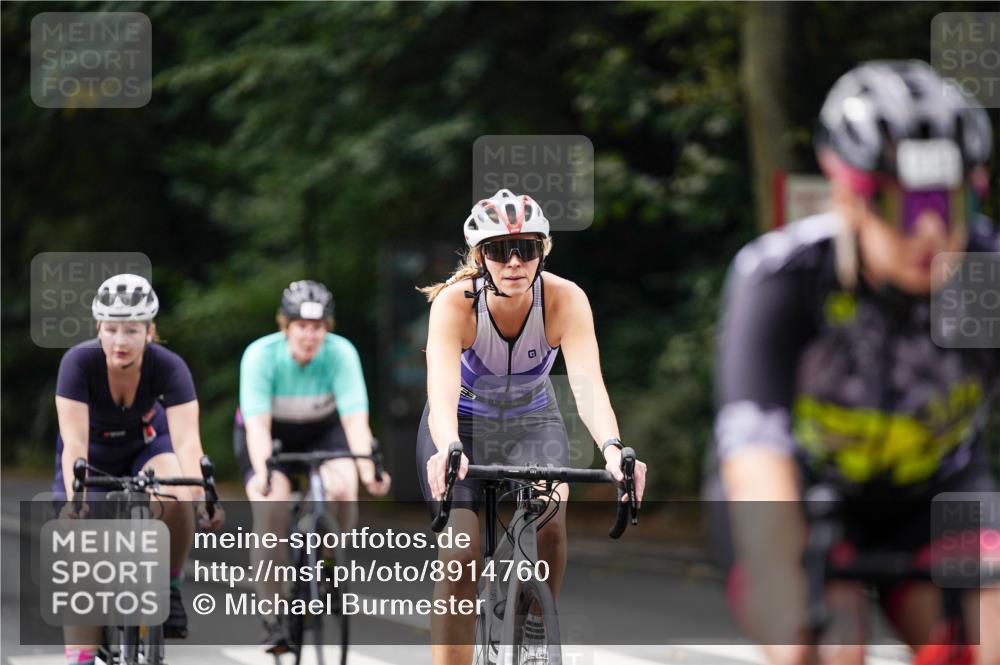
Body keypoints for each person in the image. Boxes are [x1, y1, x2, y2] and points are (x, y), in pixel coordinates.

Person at [708, 61, 1000, 665]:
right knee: (818, 640)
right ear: (850, 198)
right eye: (905, 203)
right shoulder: (784, 275)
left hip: (936, 489)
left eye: (950, 203)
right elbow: (755, 443)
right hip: (804, 486)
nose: (929, 229)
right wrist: (780, 584)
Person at [417, 189, 648, 665]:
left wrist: (612, 449)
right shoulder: (455, 305)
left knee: (551, 525)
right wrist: (448, 447)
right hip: (463, 422)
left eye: (528, 248)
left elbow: (588, 388)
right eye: (501, 250)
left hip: (533, 421)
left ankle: (537, 621)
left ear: (544, 251)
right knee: (459, 556)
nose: (515, 261)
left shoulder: (565, 300)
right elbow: (440, 393)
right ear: (481, 257)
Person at [54, 273, 225, 665]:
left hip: (147, 448)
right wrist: (76, 502)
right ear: (99, 326)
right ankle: (81, 658)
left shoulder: (169, 366)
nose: (119, 341)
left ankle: (169, 584)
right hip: (90, 457)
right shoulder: (77, 363)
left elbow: (186, 444)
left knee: (176, 495)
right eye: (111, 329)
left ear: (149, 331)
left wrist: (201, 498)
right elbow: (75, 444)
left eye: (131, 330)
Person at [235, 279, 391, 652]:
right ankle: (272, 616)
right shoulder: (260, 355)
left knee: (342, 485)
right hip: (271, 434)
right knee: (271, 508)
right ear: (285, 326)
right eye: (302, 326)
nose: (310, 335)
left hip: (323, 431)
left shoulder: (341, 354)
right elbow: (257, 427)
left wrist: (370, 471)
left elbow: (355, 422)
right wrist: (266, 474)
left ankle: (330, 564)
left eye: (318, 327)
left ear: (328, 328)